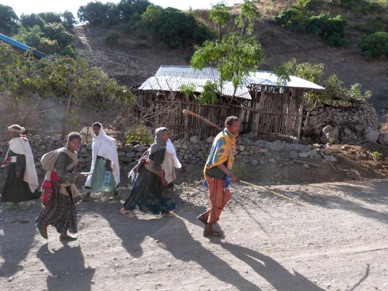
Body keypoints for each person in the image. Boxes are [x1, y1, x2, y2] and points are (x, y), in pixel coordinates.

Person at [197, 116, 241, 237]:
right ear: (228, 126)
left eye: (239, 126)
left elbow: (228, 149)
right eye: (236, 126)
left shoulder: (228, 137)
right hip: (215, 174)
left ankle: (206, 216)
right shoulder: (223, 138)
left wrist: (234, 139)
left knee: (226, 196)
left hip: (221, 175)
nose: (238, 128)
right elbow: (217, 161)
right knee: (216, 202)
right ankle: (209, 228)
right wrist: (231, 175)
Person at [35, 132, 82, 241]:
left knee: (67, 209)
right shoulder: (63, 154)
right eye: (74, 142)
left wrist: (75, 175)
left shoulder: (72, 153)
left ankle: (63, 233)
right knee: (54, 207)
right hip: (58, 184)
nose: (77, 145)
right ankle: (42, 223)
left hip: (65, 184)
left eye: (78, 142)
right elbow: (60, 172)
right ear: (68, 142)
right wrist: (76, 176)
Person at [121, 127, 176, 217]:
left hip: (155, 171)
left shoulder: (159, 145)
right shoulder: (159, 148)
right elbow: (157, 166)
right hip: (149, 172)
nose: (166, 136)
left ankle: (165, 211)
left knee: (162, 190)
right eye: (164, 135)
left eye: (167, 134)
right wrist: (163, 178)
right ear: (159, 136)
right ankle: (126, 209)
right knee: (139, 190)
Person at [1, 124, 40, 210]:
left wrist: (19, 170)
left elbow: (21, 156)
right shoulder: (17, 140)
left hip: (17, 166)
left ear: (15, 132)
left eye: (11, 132)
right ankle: (36, 195)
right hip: (14, 165)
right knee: (24, 184)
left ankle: (15, 203)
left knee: (15, 184)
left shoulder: (19, 141)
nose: (9, 133)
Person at [83, 122, 120, 201]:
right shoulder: (95, 139)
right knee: (92, 177)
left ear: (100, 129)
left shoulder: (105, 140)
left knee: (108, 178)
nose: (95, 130)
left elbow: (109, 153)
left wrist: (108, 163)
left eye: (97, 129)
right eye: (94, 129)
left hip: (104, 162)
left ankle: (116, 193)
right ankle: (87, 195)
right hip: (96, 162)